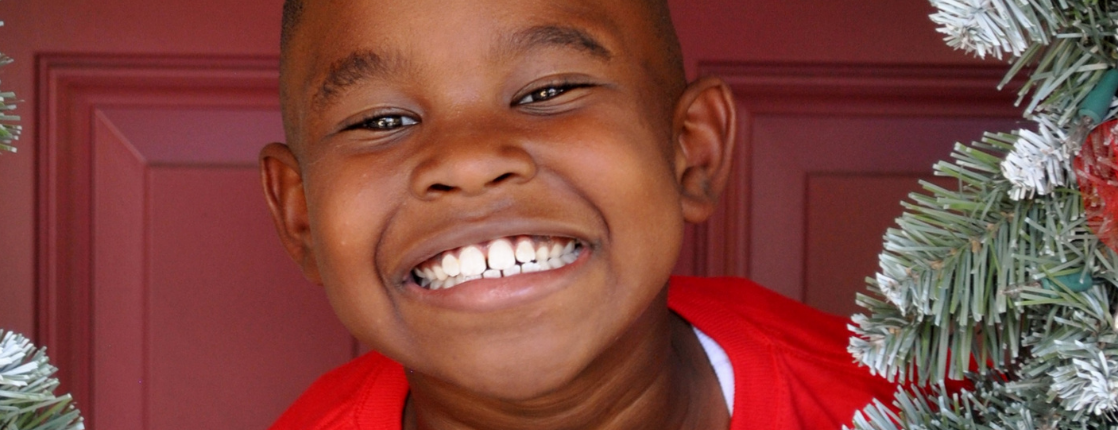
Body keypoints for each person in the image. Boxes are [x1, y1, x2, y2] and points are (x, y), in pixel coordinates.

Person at [259, 0, 895, 428]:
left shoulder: (911, 407)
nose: (470, 161)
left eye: (549, 91)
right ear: (301, 218)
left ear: (691, 151)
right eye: (381, 121)